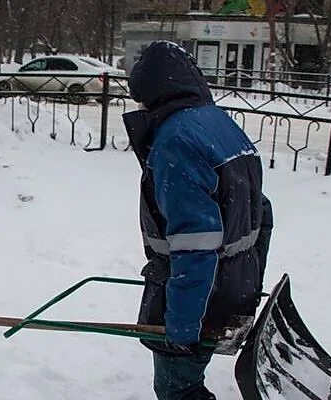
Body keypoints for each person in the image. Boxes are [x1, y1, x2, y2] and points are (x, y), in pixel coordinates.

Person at [122, 41, 274, 400]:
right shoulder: (220, 124)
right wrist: (249, 282)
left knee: (179, 388)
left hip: (203, 293)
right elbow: (261, 214)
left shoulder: (177, 140)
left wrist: (183, 328)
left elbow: (195, 246)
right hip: (232, 282)